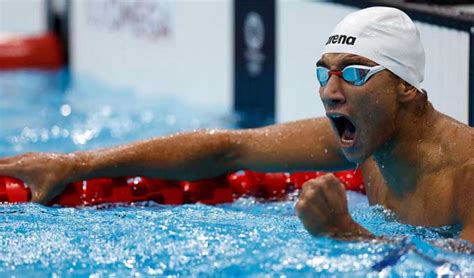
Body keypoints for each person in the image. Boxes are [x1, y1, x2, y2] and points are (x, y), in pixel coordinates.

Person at [0, 7, 472, 243]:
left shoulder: (467, 175)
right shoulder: (366, 141)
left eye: (353, 73)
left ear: (407, 87)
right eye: (323, 72)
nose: (330, 90)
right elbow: (230, 149)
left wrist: (348, 235)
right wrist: (76, 163)